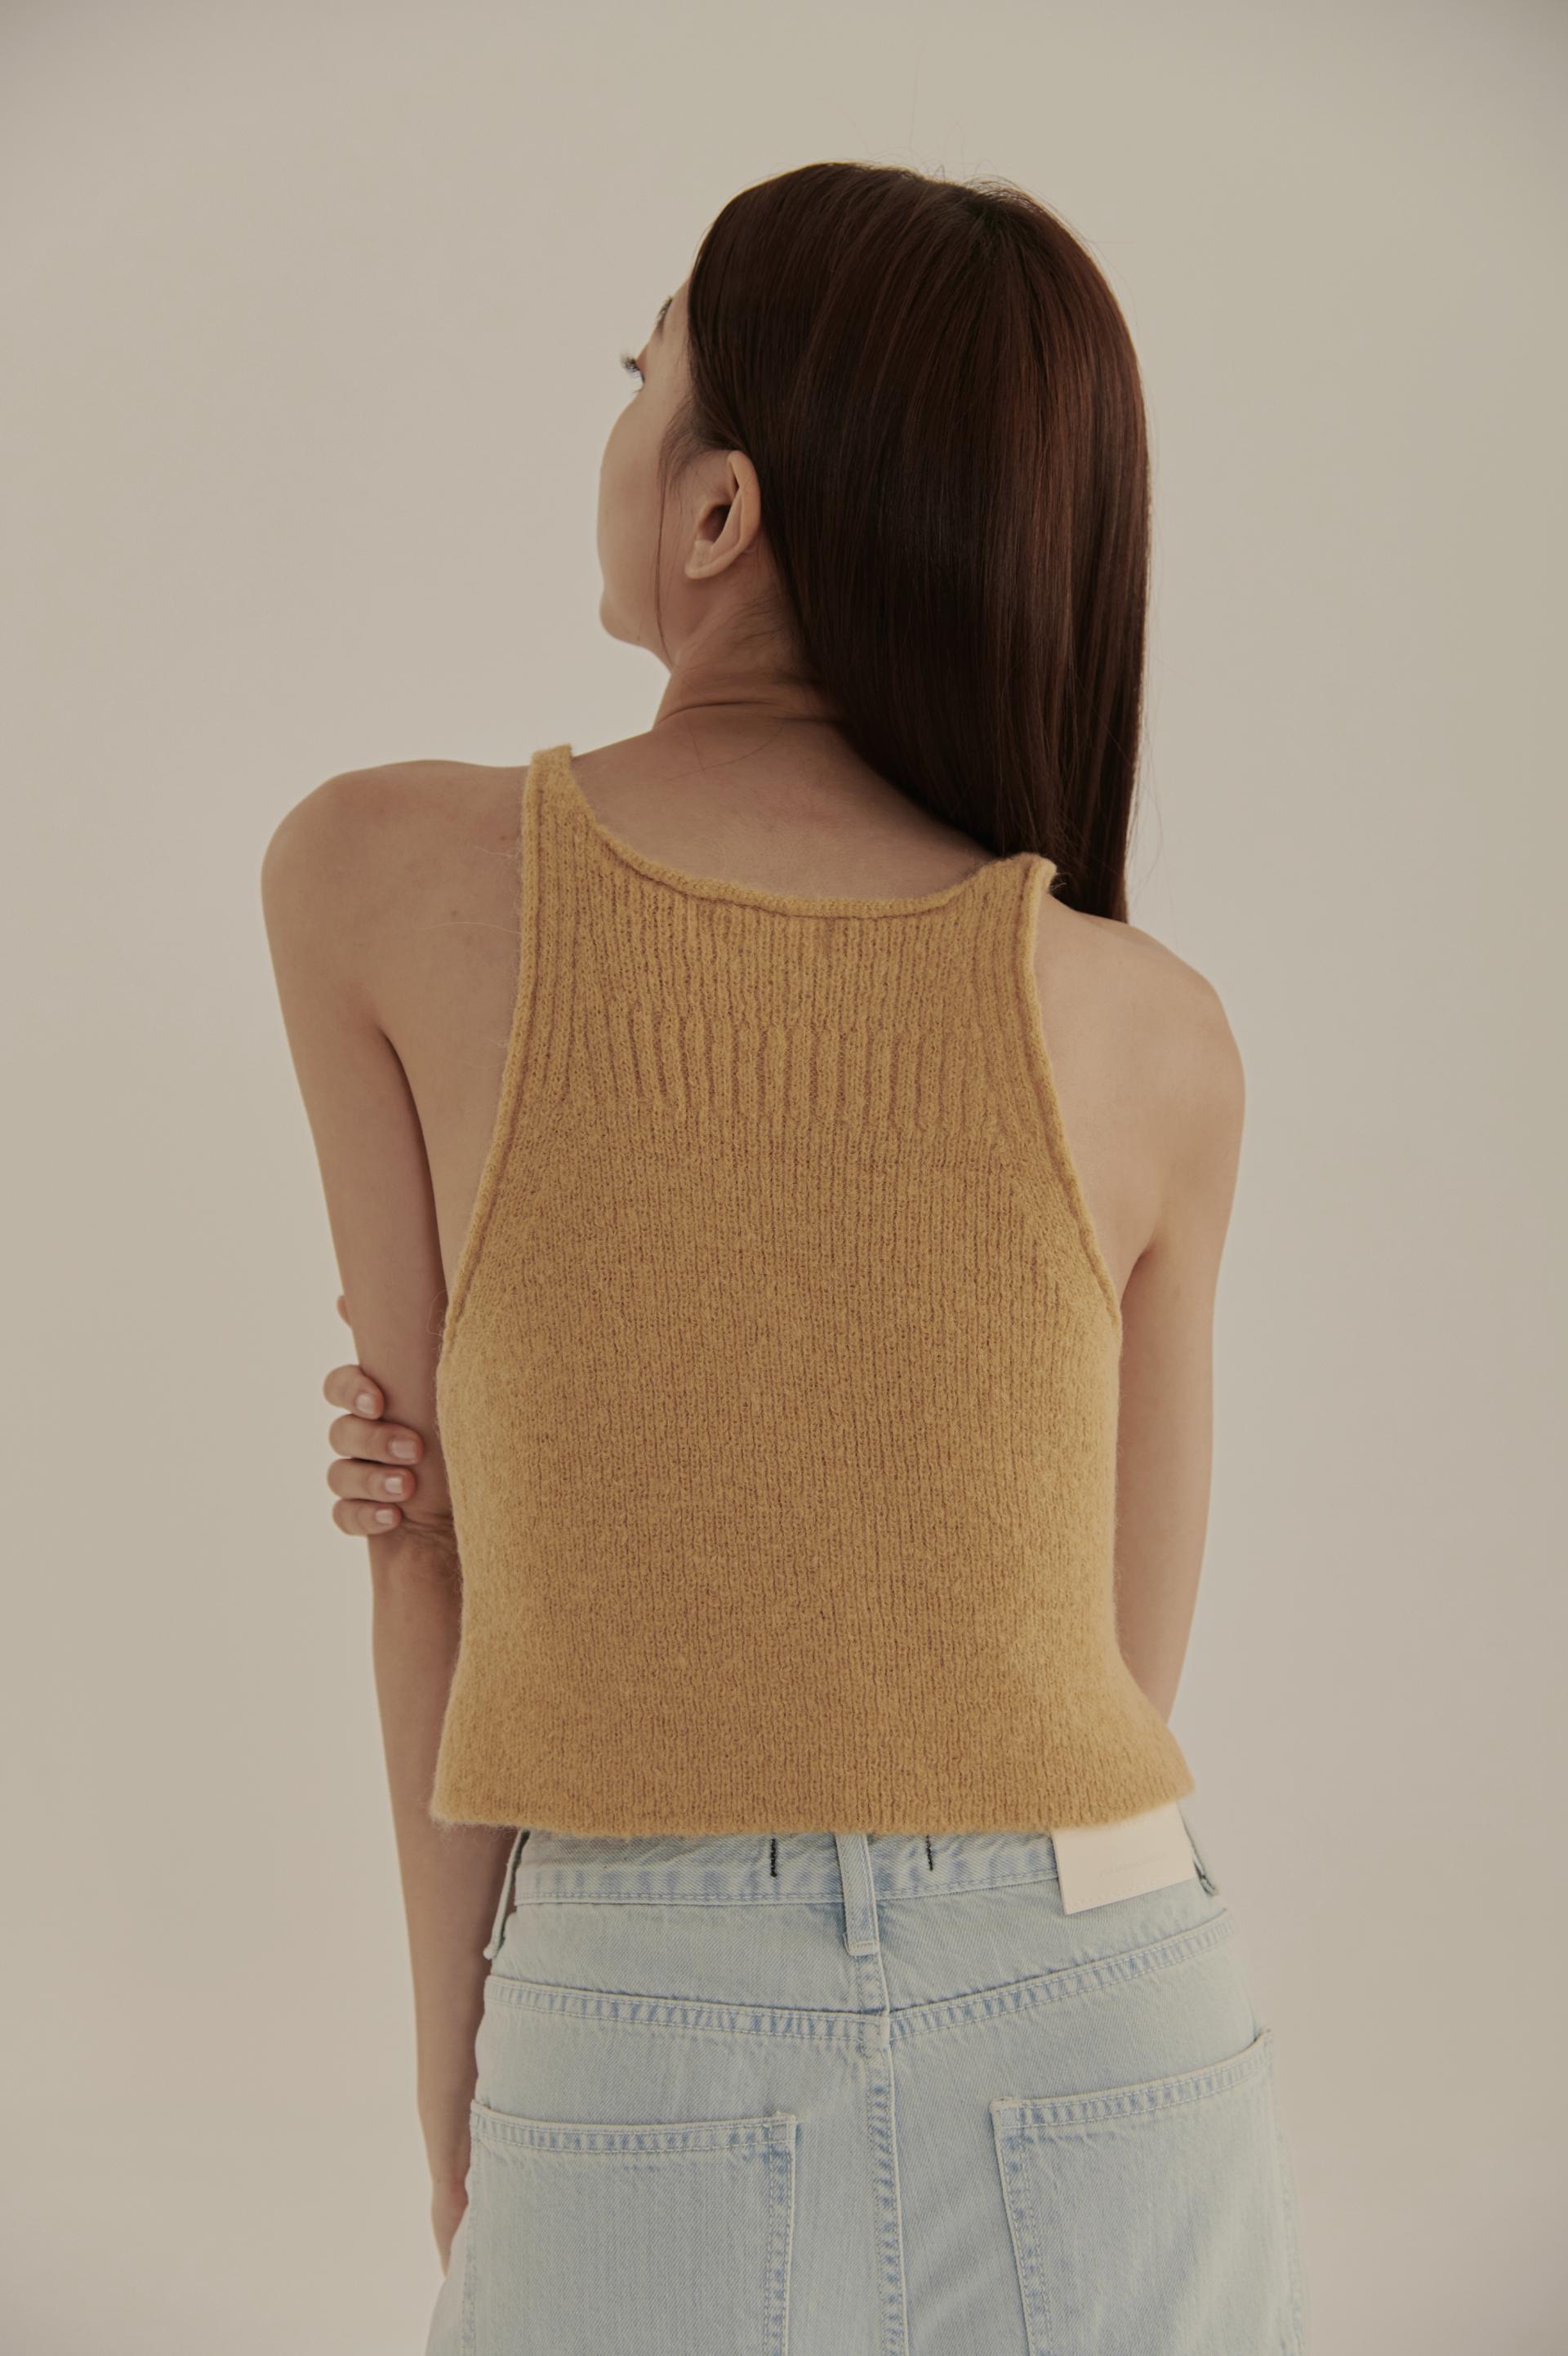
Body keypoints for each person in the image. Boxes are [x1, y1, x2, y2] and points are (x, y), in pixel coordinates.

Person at [262, 160, 1308, 2354]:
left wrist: (461, 2085)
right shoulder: (1152, 1027)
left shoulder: (377, 876)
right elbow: (1106, 1675)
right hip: (1106, 1993)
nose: (619, 415)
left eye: (640, 371)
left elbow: (423, 1541)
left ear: (719, 510)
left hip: (636, 2005)